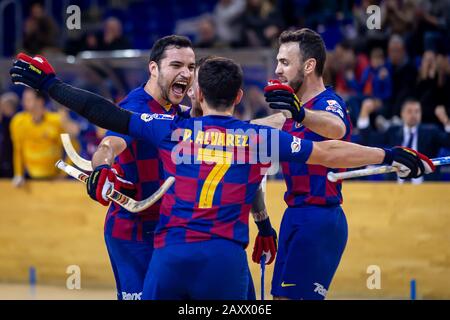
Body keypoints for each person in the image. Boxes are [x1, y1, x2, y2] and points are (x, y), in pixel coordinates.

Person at [10, 53, 434, 299]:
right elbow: (329, 152)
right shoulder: (257, 138)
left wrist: (51, 85)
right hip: (224, 260)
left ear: (198, 93)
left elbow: (105, 112)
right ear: (237, 96)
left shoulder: (170, 129)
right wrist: (393, 153)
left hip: (170, 257)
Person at [252, 28, 361, 299]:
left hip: (320, 219)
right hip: (294, 216)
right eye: (278, 61)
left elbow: (337, 128)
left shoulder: (329, 104)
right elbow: (252, 127)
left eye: (285, 62)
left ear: (309, 66)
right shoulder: (288, 114)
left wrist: (301, 113)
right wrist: (204, 124)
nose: (277, 69)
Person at [357, 97, 450, 183]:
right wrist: (364, 112)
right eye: (409, 111)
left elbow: (448, 141)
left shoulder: (431, 131)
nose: (413, 115)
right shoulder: (393, 131)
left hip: (426, 187)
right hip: (395, 188)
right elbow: (369, 139)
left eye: (417, 111)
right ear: (402, 113)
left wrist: (445, 120)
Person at [10, 88, 79, 187]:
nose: (24, 102)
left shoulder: (56, 121)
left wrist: (63, 175)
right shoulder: (18, 122)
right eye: (24, 99)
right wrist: (18, 175)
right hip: (29, 180)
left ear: (40, 101)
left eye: (28, 99)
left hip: (53, 180)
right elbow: (18, 150)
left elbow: (74, 148)